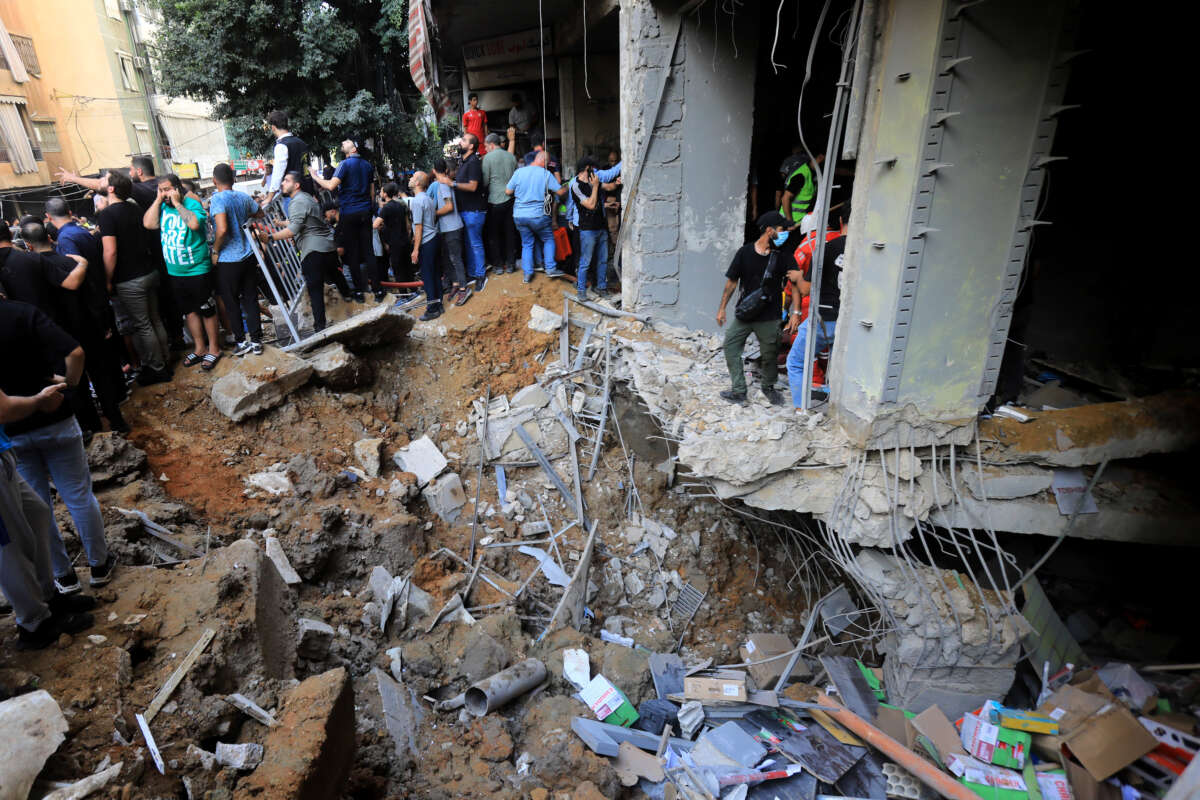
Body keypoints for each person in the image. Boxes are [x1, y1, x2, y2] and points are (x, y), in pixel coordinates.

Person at [0, 297, 118, 598]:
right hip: (56, 417)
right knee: (78, 494)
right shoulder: (23, 313)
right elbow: (75, 351)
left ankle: (63, 575)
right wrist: (71, 384)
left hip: (14, 429)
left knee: (39, 507)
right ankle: (99, 565)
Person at [2, 380, 98, 649]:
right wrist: (39, 400)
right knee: (10, 547)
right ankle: (34, 623)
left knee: (37, 514)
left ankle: (48, 596)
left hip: (4, 452)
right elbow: (3, 408)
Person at [21, 221, 129, 435]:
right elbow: (92, 297)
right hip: (88, 329)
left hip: (60, 336)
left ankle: (92, 428)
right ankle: (117, 421)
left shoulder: (33, 270)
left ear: (29, 246)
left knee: (74, 384)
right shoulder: (72, 264)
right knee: (101, 377)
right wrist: (102, 325)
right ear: (51, 239)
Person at [97, 170, 172, 386]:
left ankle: (157, 369)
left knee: (142, 324)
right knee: (155, 319)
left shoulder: (108, 215)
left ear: (111, 188)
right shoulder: (134, 208)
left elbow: (110, 252)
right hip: (149, 272)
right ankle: (165, 360)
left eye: (104, 180)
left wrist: (107, 280)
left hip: (129, 279)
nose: (100, 182)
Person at [143, 174, 222, 371]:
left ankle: (214, 348)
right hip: (176, 271)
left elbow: (194, 224)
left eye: (168, 189)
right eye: (161, 190)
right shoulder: (161, 207)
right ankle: (200, 347)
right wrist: (158, 199)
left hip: (197, 268)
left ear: (177, 188)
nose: (164, 194)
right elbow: (149, 224)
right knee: (189, 311)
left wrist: (178, 203)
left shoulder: (191, 204)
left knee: (206, 309)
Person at [258, 171, 351, 332]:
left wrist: (270, 237)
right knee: (338, 278)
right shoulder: (306, 198)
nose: (282, 184)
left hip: (313, 250)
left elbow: (293, 230)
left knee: (315, 290)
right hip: (327, 247)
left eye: (286, 181)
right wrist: (280, 223)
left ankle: (320, 329)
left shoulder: (298, 201)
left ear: (296, 185)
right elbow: (300, 221)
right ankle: (354, 306)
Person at [715, 210, 789, 406]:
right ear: (769, 230)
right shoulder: (745, 252)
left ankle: (768, 387)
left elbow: (796, 281)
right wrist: (722, 308)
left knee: (770, 354)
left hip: (770, 316)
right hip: (746, 313)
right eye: (781, 229)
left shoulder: (781, 256)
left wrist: (795, 310)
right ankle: (739, 390)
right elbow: (731, 282)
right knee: (730, 345)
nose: (785, 233)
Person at [784, 205, 847, 408]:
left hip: (821, 315)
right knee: (835, 360)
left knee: (796, 361)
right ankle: (833, 399)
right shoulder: (868, 249)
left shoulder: (817, 246)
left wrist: (797, 278)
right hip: (850, 320)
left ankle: (801, 408)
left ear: (839, 221)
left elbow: (803, 288)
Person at [312, 139, 384, 301]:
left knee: (352, 252)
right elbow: (372, 193)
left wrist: (315, 177)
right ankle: (378, 290)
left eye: (345, 143)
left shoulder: (344, 165)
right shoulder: (367, 165)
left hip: (349, 212)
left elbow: (331, 186)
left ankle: (358, 292)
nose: (342, 144)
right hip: (365, 211)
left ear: (353, 148)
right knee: (368, 251)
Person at [210, 163, 265, 357]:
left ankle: (241, 342)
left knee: (231, 302)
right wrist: (242, 215)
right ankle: (257, 341)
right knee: (250, 298)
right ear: (233, 179)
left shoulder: (217, 199)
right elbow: (260, 213)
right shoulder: (242, 197)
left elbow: (222, 229)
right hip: (248, 255)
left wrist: (215, 250)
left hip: (228, 260)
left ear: (214, 180)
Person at [506, 152, 568, 284]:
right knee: (548, 238)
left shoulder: (519, 172)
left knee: (527, 244)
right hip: (538, 216)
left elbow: (508, 191)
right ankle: (550, 268)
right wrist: (568, 185)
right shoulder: (546, 174)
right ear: (544, 161)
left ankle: (527, 274)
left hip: (519, 215)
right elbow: (561, 192)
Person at [445, 133, 488, 290]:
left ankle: (481, 276)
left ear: (471, 146)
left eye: (463, 140)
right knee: (470, 244)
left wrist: (452, 184)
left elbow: (473, 186)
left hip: (474, 211)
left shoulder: (474, 162)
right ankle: (473, 273)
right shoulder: (463, 162)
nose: (460, 142)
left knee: (475, 244)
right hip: (466, 211)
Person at [567, 157, 611, 301]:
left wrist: (616, 182)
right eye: (593, 169)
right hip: (588, 230)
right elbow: (591, 204)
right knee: (585, 261)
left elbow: (609, 187)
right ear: (586, 169)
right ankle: (581, 291)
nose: (595, 172)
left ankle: (601, 287)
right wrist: (596, 187)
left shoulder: (594, 180)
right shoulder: (576, 186)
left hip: (601, 227)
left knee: (603, 260)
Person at [428, 159, 469, 305]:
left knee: (455, 259)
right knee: (451, 258)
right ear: (446, 170)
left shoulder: (443, 184)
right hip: (449, 227)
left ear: (434, 170)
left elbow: (449, 206)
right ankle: (457, 284)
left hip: (452, 227)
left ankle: (464, 288)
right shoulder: (444, 182)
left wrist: (434, 214)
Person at [407, 171, 442, 321]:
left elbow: (419, 227)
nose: (410, 178)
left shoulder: (417, 201)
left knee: (427, 277)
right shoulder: (427, 198)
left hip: (426, 242)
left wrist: (415, 249)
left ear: (417, 183)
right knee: (435, 274)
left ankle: (432, 309)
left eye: (413, 177)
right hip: (434, 239)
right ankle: (438, 304)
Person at [482, 133, 519, 274]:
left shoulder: (487, 158)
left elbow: (485, 182)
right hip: (511, 199)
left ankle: (498, 265)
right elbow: (516, 178)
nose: (485, 149)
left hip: (494, 200)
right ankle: (510, 264)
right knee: (510, 232)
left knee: (494, 234)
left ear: (491, 144)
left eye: (486, 146)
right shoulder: (511, 157)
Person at [264, 110, 314, 206]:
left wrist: (269, 197)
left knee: (295, 221)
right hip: (308, 193)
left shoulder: (281, 146)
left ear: (273, 127)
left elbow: (278, 173)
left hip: (293, 196)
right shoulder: (301, 142)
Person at [373, 182, 412, 283]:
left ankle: (404, 294)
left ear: (385, 194)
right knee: (407, 266)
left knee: (397, 268)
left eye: (381, 191)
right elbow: (408, 225)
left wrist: (382, 226)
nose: (380, 193)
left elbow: (375, 225)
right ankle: (413, 290)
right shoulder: (400, 205)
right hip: (405, 240)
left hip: (394, 242)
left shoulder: (385, 208)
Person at [779, 146, 823, 228]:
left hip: (799, 221)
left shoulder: (814, 174)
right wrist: (790, 222)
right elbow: (785, 198)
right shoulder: (801, 175)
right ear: (820, 157)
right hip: (788, 221)